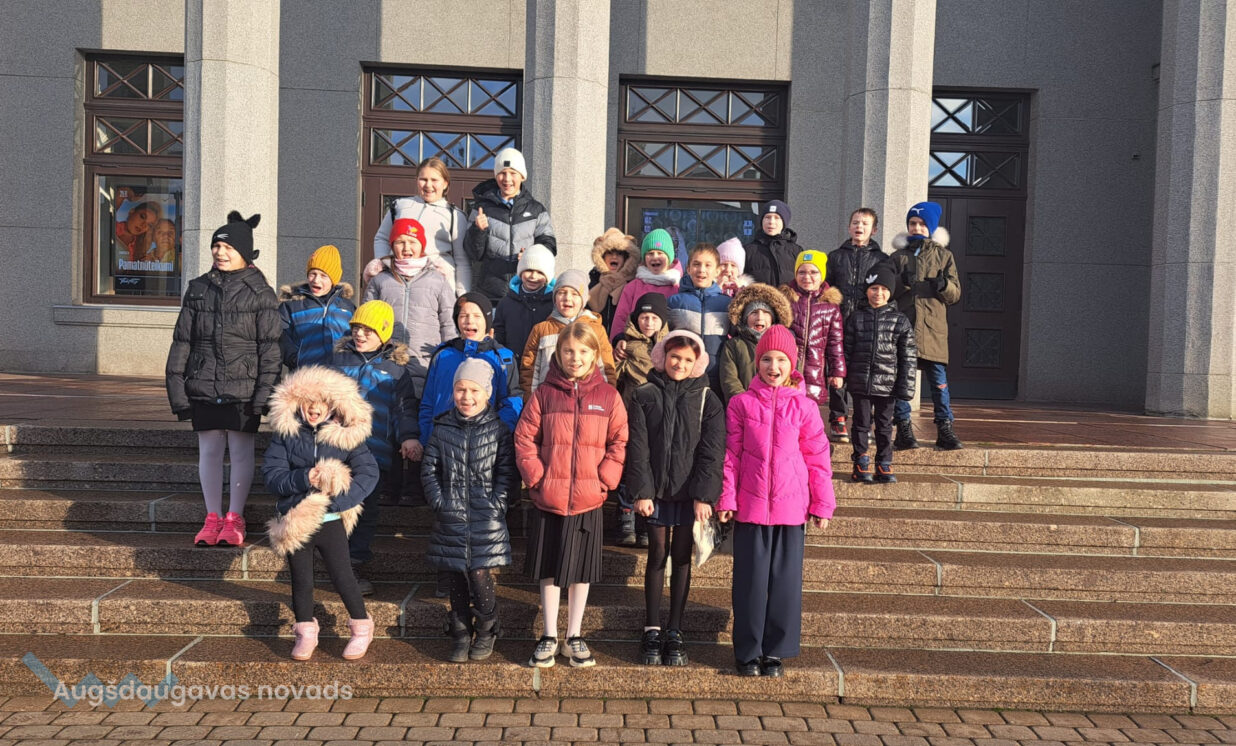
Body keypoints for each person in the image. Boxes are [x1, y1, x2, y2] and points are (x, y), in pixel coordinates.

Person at [716, 324, 834, 678]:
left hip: (791, 509)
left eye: (781, 360)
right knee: (749, 584)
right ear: (757, 362)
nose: (773, 367)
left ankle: (775, 651)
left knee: (785, 584)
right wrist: (727, 497)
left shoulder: (805, 407)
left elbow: (818, 458)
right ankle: (748, 651)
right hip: (751, 507)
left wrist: (822, 503)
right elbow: (731, 455)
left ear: (791, 363)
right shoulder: (740, 404)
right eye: (766, 359)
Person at [516, 322, 628, 669]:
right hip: (549, 497)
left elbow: (619, 441)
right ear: (558, 354)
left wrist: (604, 480)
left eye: (582, 352)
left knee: (581, 571)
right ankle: (549, 634)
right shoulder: (543, 395)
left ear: (594, 355)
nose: (575, 358)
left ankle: (574, 635)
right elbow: (525, 439)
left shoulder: (608, 396)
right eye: (568, 351)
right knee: (549, 569)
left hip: (587, 499)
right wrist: (537, 478)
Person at [165, 211, 279, 548]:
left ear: (243, 251)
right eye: (216, 246)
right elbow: (182, 342)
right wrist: (178, 392)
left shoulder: (261, 292)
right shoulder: (198, 288)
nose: (220, 252)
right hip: (204, 384)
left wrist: (264, 396)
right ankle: (212, 516)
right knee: (210, 451)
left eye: (227, 247)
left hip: (243, 388)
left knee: (241, 452)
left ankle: (234, 517)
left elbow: (270, 349)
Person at [262, 365, 379, 661]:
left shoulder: (345, 437)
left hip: (330, 519)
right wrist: (305, 478)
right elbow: (273, 476)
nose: (314, 409)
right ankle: (305, 631)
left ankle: (361, 627)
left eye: (322, 403)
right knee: (301, 580)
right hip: (295, 519)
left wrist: (339, 504)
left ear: (334, 405)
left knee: (343, 576)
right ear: (297, 402)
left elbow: (368, 473)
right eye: (308, 402)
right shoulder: (286, 434)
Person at [623, 330, 725, 666]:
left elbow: (712, 452)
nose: (680, 364)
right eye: (674, 357)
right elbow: (637, 447)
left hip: (689, 494)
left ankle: (675, 629)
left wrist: (704, 496)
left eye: (687, 359)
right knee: (657, 554)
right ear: (662, 357)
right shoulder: (644, 394)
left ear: (697, 363)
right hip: (655, 493)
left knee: (681, 557)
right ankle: (652, 627)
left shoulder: (708, 399)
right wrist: (642, 492)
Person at [422, 359, 520, 662]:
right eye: (460, 390)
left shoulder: (498, 430)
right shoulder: (442, 428)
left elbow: (506, 472)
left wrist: (498, 504)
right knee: (456, 576)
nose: (466, 397)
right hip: (451, 514)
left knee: (479, 574)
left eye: (474, 390)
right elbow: (429, 470)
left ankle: (487, 627)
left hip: (485, 516)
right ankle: (461, 632)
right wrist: (440, 502)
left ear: (487, 393)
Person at [329, 300, 417, 592]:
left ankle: (354, 565)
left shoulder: (396, 371)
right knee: (337, 508)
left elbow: (404, 409)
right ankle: (336, 562)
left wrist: (409, 437)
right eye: (356, 328)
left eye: (368, 330)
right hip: (337, 450)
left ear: (384, 333)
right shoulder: (338, 361)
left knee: (366, 510)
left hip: (374, 453)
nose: (360, 334)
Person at [889, 201, 963, 451]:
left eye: (922, 224)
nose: (917, 228)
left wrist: (944, 286)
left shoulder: (944, 256)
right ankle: (904, 428)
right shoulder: (898, 257)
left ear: (930, 228)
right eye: (913, 223)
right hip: (905, 328)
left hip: (933, 330)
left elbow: (955, 294)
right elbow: (885, 292)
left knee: (939, 383)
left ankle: (945, 428)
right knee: (902, 382)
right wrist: (901, 282)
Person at [362, 217, 457, 390]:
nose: (406, 248)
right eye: (400, 242)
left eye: (413, 242)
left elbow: (449, 323)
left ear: (422, 245)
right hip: (386, 361)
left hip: (426, 363)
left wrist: (449, 358)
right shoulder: (380, 280)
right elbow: (365, 323)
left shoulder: (437, 280)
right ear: (392, 246)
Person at [845, 264, 917, 483]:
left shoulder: (900, 321)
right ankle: (860, 460)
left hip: (888, 384)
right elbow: (846, 351)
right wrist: (843, 377)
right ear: (867, 290)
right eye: (874, 288)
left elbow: (908, 357)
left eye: (884, 289)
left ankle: (884, 462)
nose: (878, 293)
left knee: (885, 425)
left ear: (891, 292)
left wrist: (906, 385)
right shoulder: (856, 318)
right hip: (861, 382)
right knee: (860, 423)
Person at [419, 292, 522, 444]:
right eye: (463, 316)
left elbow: (511, 401)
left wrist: (497, 436)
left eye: (477, 316)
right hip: (440, 443)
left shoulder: (502, 358)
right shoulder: (442, 355)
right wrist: (424, 440)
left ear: (487, 321)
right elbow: (428, 402)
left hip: (484, 444)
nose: (469, 321)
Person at [612, 292, 670, 548]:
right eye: (644, 317)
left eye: (654, 318)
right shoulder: (628, 344)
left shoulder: (669, 345)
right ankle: (626, 514)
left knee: (652, 465)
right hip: (630, 414)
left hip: (658, 417)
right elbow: (614, 375)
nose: (649, 323)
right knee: (629, 465)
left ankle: (647, 519)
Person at [464, 147, 556, 303]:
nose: (507, 179)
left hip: (528, 292)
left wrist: (532, 255)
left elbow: (549, 246)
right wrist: (477, 231)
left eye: (513, 173)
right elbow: (473, 254)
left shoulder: (536, 210)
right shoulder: (481, 209)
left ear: (522, 176)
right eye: (502, 173)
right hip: (490, 293)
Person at [370, 157, 471, 295]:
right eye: (423, 179)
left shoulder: (455, 215)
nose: (428, 185)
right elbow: (381, 238)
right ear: (417, 180)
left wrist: (462, 296)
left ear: (445, 183)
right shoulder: (399, 206)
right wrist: (382, 265)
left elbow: (462, 260)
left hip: (436, 286)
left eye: (434, 180)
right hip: (397, 280)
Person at [780, 250, 847, 440]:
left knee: (810, 415)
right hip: (789, 368)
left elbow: (835, 343)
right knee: (787, 415)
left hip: (815, 370)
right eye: (802, 272)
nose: (807, 277)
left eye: (813, 272)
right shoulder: (785, 300)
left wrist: (837, 372)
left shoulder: (830, 306)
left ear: (822, 275)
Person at [521, 269, 616, 395]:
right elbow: (529, 371)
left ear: (583, 299)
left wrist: (607, 399)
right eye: (562, 292)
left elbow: (606, 369)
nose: (567, 298)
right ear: (555, 298)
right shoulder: (541, 330)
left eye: (575, 294)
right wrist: (531, 400)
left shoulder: (596, 330)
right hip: (549, 399)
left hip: (589, 399)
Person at [279, 244, 356, 370]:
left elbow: (356, 338)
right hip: (305, 375)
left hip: (339, 375)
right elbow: (281, 337)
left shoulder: (347, 308)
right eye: (313, 273)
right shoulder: (291, 305)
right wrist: (295, 359)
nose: (316, 280)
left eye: (323, 275)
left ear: (333, 280)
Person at [667, 243, 731, 389]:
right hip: (683, 376)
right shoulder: (674, 302)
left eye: (708, 265)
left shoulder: (726, 304)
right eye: (696, 264)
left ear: (717, 271)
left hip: (716, 376)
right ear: (688, 268)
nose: (701, 270)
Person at [718, 282, 793, 406]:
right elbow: (729, 380)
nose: (759, 317)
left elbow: (794, 376)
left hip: (779, 408)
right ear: (744, 318)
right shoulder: (734, 345)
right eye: (754, 313)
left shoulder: (785, 343)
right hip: (744, 408)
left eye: (766, 312)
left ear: (773, 318)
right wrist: (746, 404)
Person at [610, 229, 683, 343]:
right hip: (636, 347)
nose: (655, 257)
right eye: (650, 253)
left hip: (668, 347)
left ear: (669, 257)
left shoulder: (679, 287)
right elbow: (620, 318)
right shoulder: (633, 287)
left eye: (660, 253)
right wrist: (617, 341)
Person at [493, 244, 556, 372]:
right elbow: (499, 334)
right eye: (529, 270)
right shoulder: (506, 303)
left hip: (543, 367)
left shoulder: (553, 304)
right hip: (512, 366)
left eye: (540, 272)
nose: (533, 276)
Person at [826, 207, 889, 319]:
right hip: (839, 317)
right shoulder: (835, 256)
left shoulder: (881, 259)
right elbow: (827, 286)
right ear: (849, 228)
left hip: (867, 319)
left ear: (874, 230)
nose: (859, 226)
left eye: (865, 224)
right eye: (855, 223)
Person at [587, 228, 640, 332]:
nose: (614, 257)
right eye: (610, 253)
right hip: (596, 337)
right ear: (602, 256)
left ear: (626, 258)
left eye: (619, 253)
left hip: (622, 338)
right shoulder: (592, 280)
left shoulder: (633, 284)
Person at [744, 200, 802, 288]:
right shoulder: (748, 251)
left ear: (784, 222)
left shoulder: (796, 251)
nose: (771, 222)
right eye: (767, 217)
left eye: (776, 218)